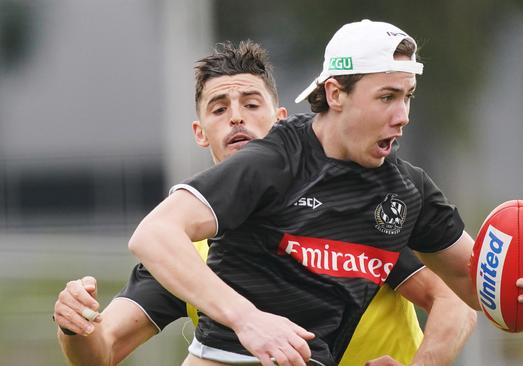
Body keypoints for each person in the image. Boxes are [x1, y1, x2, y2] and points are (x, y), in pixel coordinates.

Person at [128, 20, 523, 366]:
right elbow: (154, 234)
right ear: (335, 93)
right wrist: (248, 320)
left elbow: (478, 291)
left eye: (408, 96)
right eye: (387, 97)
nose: (403, 114)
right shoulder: (274, 159)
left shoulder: (406, 190)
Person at [53, 40, 475, 366]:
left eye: (251, 104)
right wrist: (76, 326)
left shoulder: (359, 203)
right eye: (220, 109)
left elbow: (456, 296)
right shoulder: (182, 251)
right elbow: (104, 350)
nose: (236, 117)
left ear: (280, 121)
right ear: (201, 134)